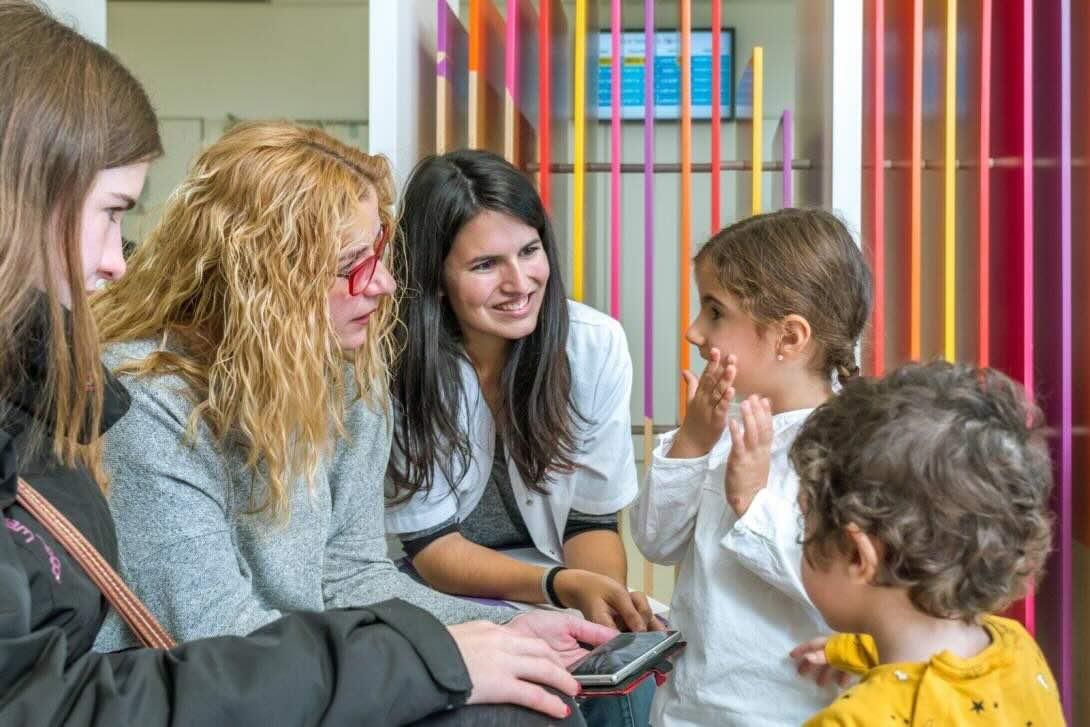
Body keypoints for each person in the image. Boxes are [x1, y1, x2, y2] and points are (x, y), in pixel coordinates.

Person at [0, 2, 603, 723]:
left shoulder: (352, 379)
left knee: (545, 688)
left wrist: (504, 630)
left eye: (380, 259)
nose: (381, 287)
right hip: (235, 686)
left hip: (305, 674)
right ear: (267, 280)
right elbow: (214, 637)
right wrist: (437, 656)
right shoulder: (149, 401)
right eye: (353, 264)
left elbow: (352, 576)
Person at [386, 149, 659, 726]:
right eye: (485, 265)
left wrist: (598, 610)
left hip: (550, 572)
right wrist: (560, 587)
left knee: (627, 689)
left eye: (529, 251)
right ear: (435, 275)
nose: (519, 283)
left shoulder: (594, 344)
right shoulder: (397, 363)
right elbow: (430, 549)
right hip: (432, 582)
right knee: (544, 703)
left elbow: (591, 521)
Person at [630, 208, 873, 726]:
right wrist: (694, 443)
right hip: (687, 711)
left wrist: (752, 502)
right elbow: (656, 540)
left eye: (715, 312)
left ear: (789, 338)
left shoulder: (852, 448)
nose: (695, 332)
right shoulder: (723, 427)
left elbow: (843, 595)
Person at [787, 361, 1064, 727]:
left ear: (858, 555)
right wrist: (852, 650)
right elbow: (941, 679)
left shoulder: (851, 720)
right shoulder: (1018, 650)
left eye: (804, 524)